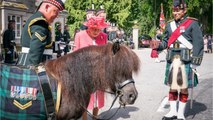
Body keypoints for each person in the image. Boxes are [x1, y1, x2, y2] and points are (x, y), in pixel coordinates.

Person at [150, 0, 204, 120]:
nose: (175, 13)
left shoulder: (192, 24)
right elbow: (165, 42)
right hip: (172, 59)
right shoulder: (169, 25)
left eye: (178, 10)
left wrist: (195, 62)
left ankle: (180, 114)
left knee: (183, 87)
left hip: (186, 60)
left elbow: (198, 43)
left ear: (184, 10)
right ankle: (173, 111)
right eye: (174, 10)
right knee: (172, 86)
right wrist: (158, 45)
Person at [73, 16, 108, 120]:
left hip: (99, 72)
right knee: (85, 98)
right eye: (94, 29)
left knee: (97, 97)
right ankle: (84, 118)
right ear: (89, 27)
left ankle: (95, 117)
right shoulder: (79, 35)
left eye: (99, 29)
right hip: (84, 71)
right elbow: (75, 55)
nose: (96, 32)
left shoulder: (104, 36)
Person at [17, 0, 65, 67]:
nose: (57, 16)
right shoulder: (41, 23)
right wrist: (34, 69)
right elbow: (36, 49)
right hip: (33, 64)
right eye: (55, 11)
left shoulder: (35, 19)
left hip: (27, 61)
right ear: (47, 7)